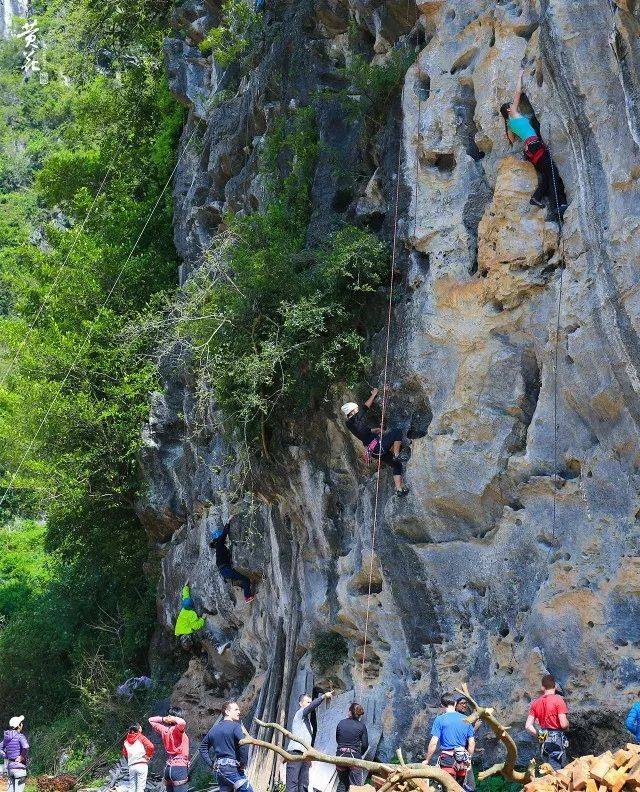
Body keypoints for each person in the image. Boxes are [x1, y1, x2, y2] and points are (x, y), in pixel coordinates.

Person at [500, 65, 568, 221]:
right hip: (535, 146)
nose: (513, 105)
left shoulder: (510, 126)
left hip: (531, 151)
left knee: (547, 175)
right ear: (509, 110)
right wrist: (519, 76)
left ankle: (537, 198)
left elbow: (511, 140)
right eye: (511, 105)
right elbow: (517, 93)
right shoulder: (514, 116)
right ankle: (559, 205)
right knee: (553, 173)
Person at [341, 388, 409, 497]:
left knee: (397, 465)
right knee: (397, 432)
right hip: (378, 446)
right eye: (356, 409)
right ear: (353, 411)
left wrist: (375, 430)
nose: (358, 411)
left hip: (375, 451)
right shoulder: (352, 420)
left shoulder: (352, 424)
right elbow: (365, 407)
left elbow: (364, 433)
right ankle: (396, 455)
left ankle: (399, 489)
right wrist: (374, 394)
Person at [199, 700, 254, 792]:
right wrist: (243, 763)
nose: (239, 712)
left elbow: (202, 748)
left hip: (219, 770)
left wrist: (211, 764)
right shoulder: (236, 727)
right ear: (227, 712)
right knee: (247, 790)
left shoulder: (214, 729)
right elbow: (243, 745)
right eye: (236, 709)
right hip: (232, 769)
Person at [285, 690, 334, 792]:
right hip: (295, 753)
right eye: (308, 702)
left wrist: (310, 756)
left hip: (305, 755)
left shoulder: (307, 721)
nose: (310, 704)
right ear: (300, 703)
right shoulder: (299, 714)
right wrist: (323, 696)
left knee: (303, 784)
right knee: (292, 786)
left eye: (310, 702)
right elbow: (312, 706)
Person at [424, 694, 475, 789]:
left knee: (447, 788)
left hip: (447, 759)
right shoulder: (466, 720)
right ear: (455, 703)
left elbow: (434, 742)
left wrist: (427, 760)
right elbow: (471, 743)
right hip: (463, 760)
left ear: (442, 705)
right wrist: (469, 758)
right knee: (460, 788)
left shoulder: (440, 720)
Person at [525, 674, 569, 769]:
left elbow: (528, 726)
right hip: (556, 739)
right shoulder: (558, 700)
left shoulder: (535, 703)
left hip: (543, 737)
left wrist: (539, 734)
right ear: (555, 686)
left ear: (542, 687)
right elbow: (563, 724)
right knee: (558, 771)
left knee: (547, 768)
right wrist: (568, 723)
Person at [211, 522, 254, 603]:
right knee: (245, 579)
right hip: (227, 569)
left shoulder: (219, 548)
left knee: (241, 578)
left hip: (224, 572)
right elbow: (224, 534)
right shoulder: (220, 544)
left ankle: (247, 588)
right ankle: (247, 597)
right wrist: (228, 522)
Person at [149, 710, 189, 792]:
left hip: (169, 768)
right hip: (179, 769)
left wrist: (163, 719)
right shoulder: (177, 730)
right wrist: (173, 718)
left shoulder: (164, 730)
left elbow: (150, 720)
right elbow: (182, 722)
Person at [335, 703, 369, 792]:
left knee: (342, 783)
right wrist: (358, 754)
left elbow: (338, 740)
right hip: (355, 758)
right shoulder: (361, 726)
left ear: (349, 712)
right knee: (356, 787)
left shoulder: (341, 723)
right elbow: (365, 745)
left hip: (340, 757)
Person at [455, 697, 480, 791]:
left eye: (465, 703)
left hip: (461, 754)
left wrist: (476, 750)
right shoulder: (461, 719)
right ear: (455, 705)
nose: (464, 705)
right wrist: (475, 728)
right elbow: (463, 737)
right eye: (462, 703)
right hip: (459, 756)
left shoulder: (465, 718)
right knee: (468, 783)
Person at [122, 724, 155, 792]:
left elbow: (125, 753)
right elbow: (151, 746)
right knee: (140, 788)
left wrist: (132, 757)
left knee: (132, 788)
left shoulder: (125, 741)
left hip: (131, 766)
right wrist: (148, 756)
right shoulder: (140, 737)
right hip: (141, 764)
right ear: (139, 729)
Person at [0, 716, 29, 792]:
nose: (22, 724)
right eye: (21, 723)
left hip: (10, 769)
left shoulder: (7, 738)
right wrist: (22, 757)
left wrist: (6, 756)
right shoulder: (20, 736)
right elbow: (26, 746)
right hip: (20, 769)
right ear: (18, 726)